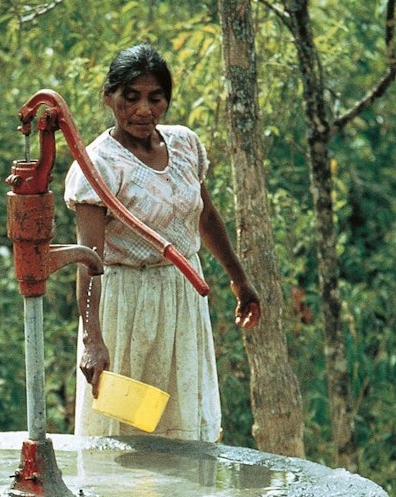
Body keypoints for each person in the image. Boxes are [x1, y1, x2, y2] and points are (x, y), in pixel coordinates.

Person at [66, 43, 261, 442]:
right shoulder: (98, 164)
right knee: (129, 431)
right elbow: (90, 259)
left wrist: (240, 281)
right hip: (126, 305)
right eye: (131, 98)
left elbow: (205, 216)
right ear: (109, 97)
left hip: (182, 295)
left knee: (181, 425)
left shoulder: (184, 144)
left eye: (155, 98)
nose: (143, 110)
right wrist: (93, 339)